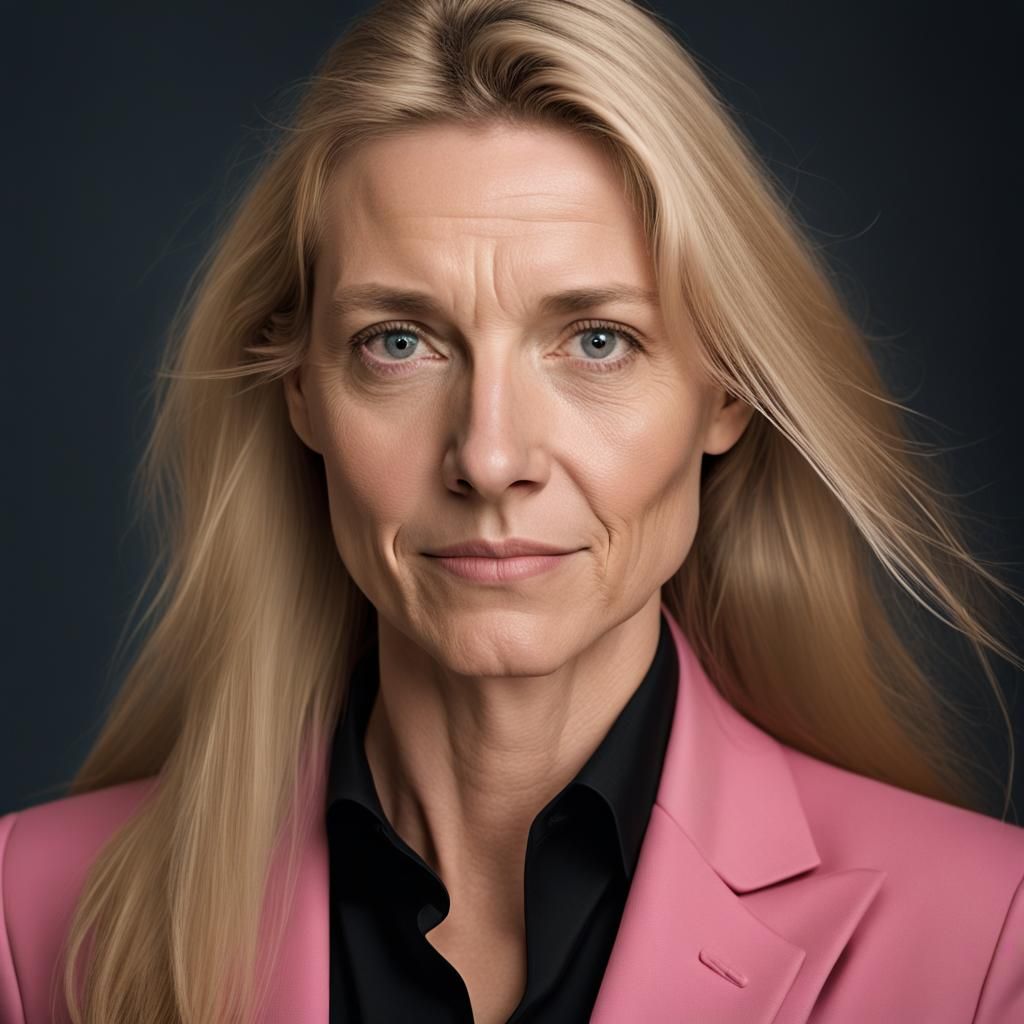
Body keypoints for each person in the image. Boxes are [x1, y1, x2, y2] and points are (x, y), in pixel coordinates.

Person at [1, 0, 1021, 1021]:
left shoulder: (988, 937)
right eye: (399, 341)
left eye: (596, 341)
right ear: (299, 390)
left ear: (726, 391)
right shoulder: (29, 916)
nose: (489, 459)